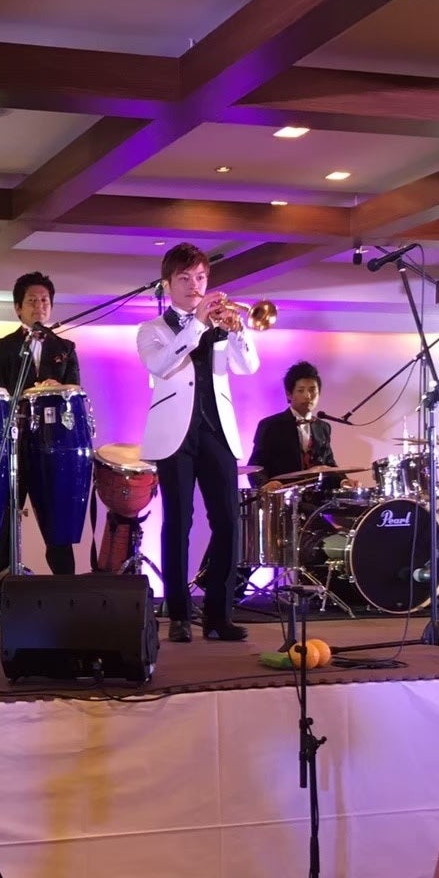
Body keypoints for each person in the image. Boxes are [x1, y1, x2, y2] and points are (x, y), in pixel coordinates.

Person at [137, 242, 260, 643]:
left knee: (227, 521)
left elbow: (248, 366)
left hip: (216, 431)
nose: (195, 285)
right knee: (178, 523)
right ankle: (178, 614)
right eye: (185, 278)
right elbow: (161, 365)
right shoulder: (152, 330)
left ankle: (219, 616)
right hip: (175, 435)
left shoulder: (221, 324)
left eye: (201, 277)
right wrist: (198, 325)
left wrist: (238, 332)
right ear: (167, 284)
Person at [0, 271, 81, 609]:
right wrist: (24, 393)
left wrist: (58, 387)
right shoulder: (3, 347)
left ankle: (68, 595)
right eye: (32, 301)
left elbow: (76, 391)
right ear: (18, 308)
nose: (40, 306)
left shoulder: (65, 348)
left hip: (52, 447)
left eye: (45, 301)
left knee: (57, 519)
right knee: (6, 519)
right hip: (14, 444)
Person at [247, 361, 343, 491]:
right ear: (289, 394)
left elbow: (329, 464)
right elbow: (255, 465)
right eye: (301, 390)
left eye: (312, 390)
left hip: (317, 496)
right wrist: (264, 485)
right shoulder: (270, 425)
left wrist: (343, 480)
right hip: (283, 496)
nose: (308, 396)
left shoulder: (323, 427)